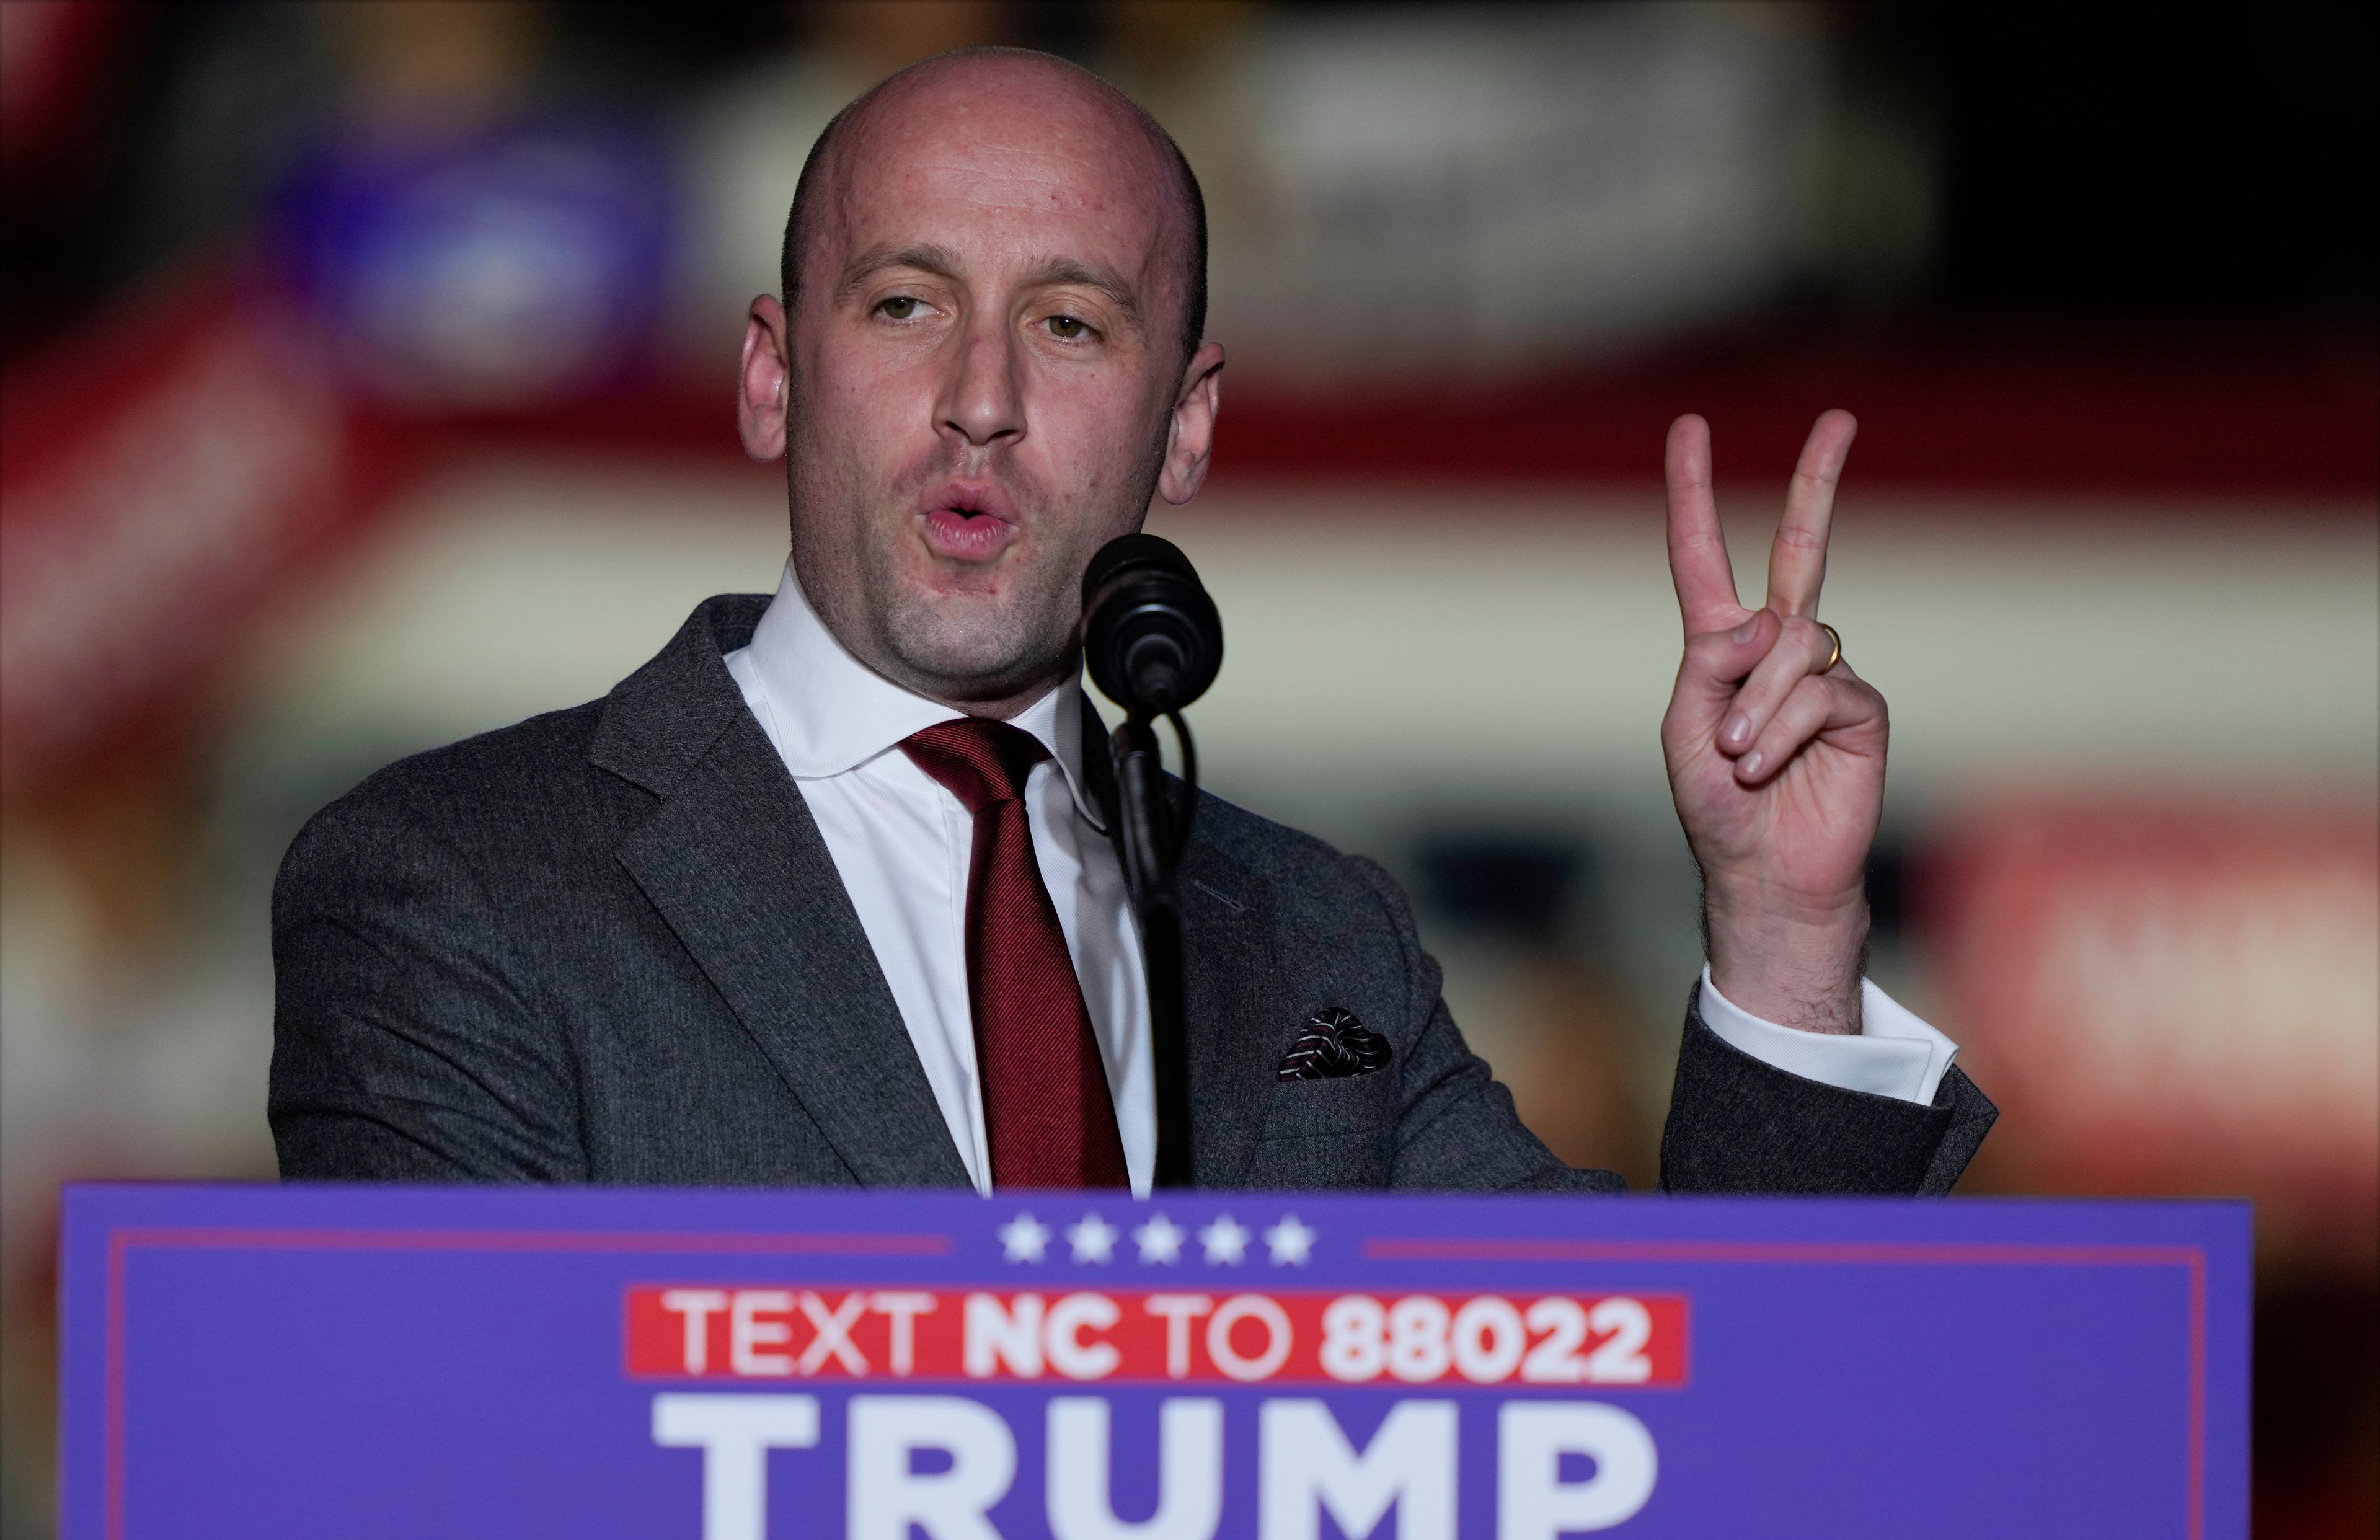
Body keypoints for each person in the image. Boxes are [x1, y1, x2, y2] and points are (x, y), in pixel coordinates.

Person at [269, 48, 1994, 1194]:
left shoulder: (1322, 944)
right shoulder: (458, 882)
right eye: (902, 303)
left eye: (1075, 326)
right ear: (772, 378)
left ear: (1188, 425)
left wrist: (1779, 933)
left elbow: (1671, 1421)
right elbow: (449, 1468)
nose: (980, 400)